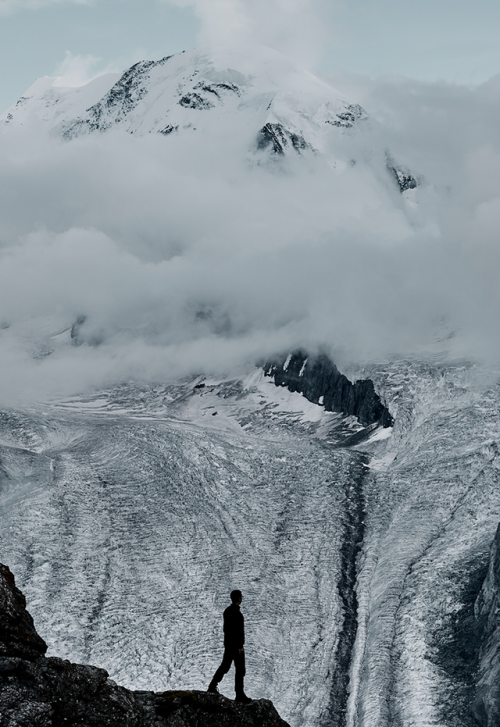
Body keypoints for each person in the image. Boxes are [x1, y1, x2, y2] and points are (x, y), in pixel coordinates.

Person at [208, 589, 252, 703]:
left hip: (228, 645)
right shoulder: (238, 614)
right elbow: (239, 632)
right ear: (239, 598)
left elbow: (226, 630)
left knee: (224, 667)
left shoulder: (227, 611)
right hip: (237, 647)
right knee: (240, 670)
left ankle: (212, 686)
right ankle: (239, 694)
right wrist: (240, 646)